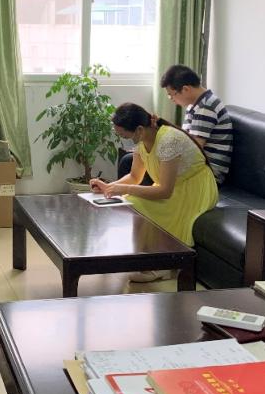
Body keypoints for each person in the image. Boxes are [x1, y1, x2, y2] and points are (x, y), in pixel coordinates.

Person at [90, 103, 218, 284]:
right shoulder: (142, 141)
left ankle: (159, 266)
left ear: (139, 130)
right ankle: (143, 259)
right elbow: (135, 177)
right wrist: (108, 187)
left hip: (194, 190)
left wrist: (123, 189)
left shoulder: (169, 141)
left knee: (134, 203)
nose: (123, 139)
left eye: (124, 135)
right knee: (130, 202)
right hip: (173, 187)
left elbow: (165, 191)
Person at [159, 64, 233, 184]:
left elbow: (194, 149)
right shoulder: (196, 105)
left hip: (209, 176)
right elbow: (186, 140)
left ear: (185, 89)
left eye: (171, 95)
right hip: (199, 167)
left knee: (154, 167)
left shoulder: (206, 107)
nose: (171, 99)